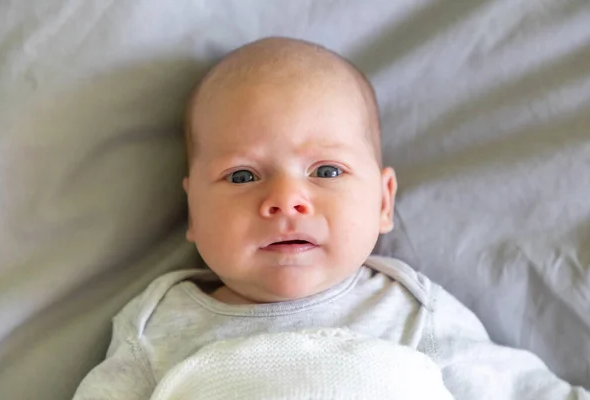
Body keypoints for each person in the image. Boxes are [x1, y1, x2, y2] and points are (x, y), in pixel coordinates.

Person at [73, 37, 590, 399]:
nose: (286, 200)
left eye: (325, 169)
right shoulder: (156, 324)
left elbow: (517, 389)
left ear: (384, 203)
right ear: (192, 211)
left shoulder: (410, 310)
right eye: (242, 176)